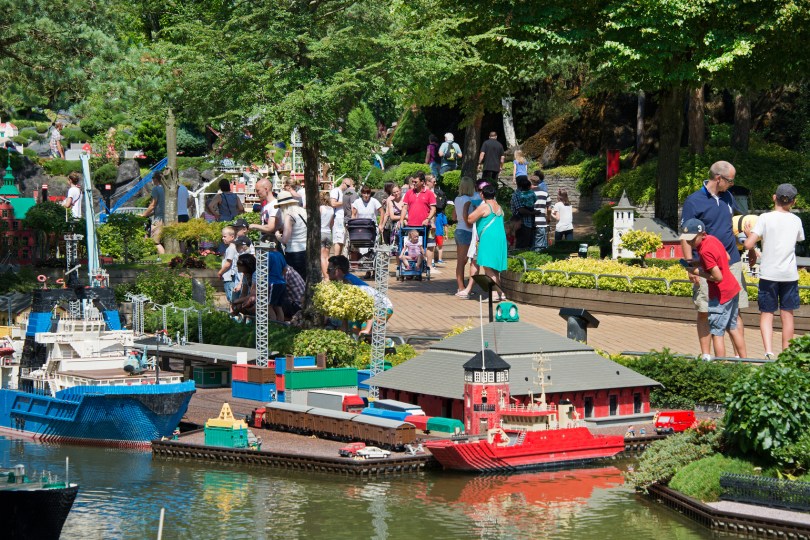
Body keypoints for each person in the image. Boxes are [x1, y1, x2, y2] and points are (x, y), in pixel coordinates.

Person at [681, 161, 756, 360]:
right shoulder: (693, 201)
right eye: (730, 181)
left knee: (735, 311)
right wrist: (690, 266)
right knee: (706, 310)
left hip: (732, 262)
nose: (732, 184)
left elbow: (733, 226)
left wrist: (748, 247)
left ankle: (741, 360)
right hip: (706, 264)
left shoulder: (728, 196)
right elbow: (685, 236)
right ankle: (708, 357)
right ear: (718, 178)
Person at [744, 184, 805, 359]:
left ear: (774, 198)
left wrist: (749, 235)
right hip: (789, 275)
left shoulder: (765, 218)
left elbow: (748, 244)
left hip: (769, 274)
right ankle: (787, 354)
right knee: (788, 315)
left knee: (767, 313)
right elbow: (799, 238)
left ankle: (769, 352)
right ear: (793, 202)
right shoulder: (796, 220)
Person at [680, 218, 746, 359]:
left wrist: (697, 272)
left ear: (702, 234)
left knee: (717, 332)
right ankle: (745, 362)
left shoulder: (705, 251)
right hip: (732, 288)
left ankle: (720, 366)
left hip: (721, 294)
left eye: (692, 239)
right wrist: (697, 262)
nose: (690, 243)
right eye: (687, 240)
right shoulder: (712, 239)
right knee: (733, 327)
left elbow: (717, 277)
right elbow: (726, 257)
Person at [466, 183, 508, 301]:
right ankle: (501, 293)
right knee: (494, 268)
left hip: (488, 238)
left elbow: (470, 219)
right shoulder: (498, 206)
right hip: (500, 238)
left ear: (482, 194)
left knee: (487, 266)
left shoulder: (485, 206)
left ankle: (494, 294)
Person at [275, 191, 308, 280]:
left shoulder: (289, 216)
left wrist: (277, 236)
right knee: (303, 279)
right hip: (305, 249)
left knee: (295, 279)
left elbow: (285, 239)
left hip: (293, 252)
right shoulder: (303, 211)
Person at [453, 177, 475, 297]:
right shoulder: (468, 200)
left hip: (459, 229)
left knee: (461, 260)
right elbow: (466, 215)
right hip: (466, 230)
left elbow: (454, 216)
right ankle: (461, 287)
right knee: (463, 260)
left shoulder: (457, 199)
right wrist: (469, 224)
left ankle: (461, 286)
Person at [141, 171, 166, 254]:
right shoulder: (166, 189)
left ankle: (164, 258)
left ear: (155, 179)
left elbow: (153, 204)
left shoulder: (156, 189)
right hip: (167, 217)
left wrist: (144, 215)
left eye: (152, 178)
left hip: (159, 219)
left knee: (155, 242)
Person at [510, 175, 536, 249]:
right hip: (522, 224)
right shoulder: (517, 195)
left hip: (530, 223)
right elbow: (521, 210)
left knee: (529, 246)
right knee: (522, 247)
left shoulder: (528, 193)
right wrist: (533, 213)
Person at [330, 177, 353, 255]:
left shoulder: (346, 192)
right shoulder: (335, 191)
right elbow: (333, 203)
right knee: (338, 240)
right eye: (348, 186)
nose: (348, 187)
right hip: (338, 218)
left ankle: (339, 258)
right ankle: (336, 258)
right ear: (343, 183)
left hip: (345, 218)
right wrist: (345, 202)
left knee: (342, 240)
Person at [230, 254, 257, 320]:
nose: (237, 266)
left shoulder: (255, 274)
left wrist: (235, 301)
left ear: (247, 265)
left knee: (245, 307)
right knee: (239, 306)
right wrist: (238, 303)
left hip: (258, 300)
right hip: (250, 299)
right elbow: (244, 292)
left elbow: (253, 295)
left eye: (239, 264)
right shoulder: (245, 275)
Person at [265, 242, 287, 322]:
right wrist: (279, 276)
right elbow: (285, 269)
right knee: (278, 306)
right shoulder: (280, 254)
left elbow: (265, 269)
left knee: (268, 305)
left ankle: (273, 324)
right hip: (281, 283)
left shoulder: (268, 255)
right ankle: (280, 325)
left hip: (273, 283)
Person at [217, 226, 239, 304]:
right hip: (229, 277)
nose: (223, 238)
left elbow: (228, 264)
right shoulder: (232, 247)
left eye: (225, 236)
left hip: (229, 278)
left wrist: (220, 273)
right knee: (232, 300)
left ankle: (233, 312)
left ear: (232, 237)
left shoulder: (231, 248)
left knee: (232, 299)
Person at [530, 171, 550, 252]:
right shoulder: (545, 193)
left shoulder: (529, 193)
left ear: (531, 182)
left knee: (531, 245)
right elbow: (549, 208)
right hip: (541, 222)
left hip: (530, 222)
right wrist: (548, 218)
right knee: (540, 246)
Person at [319, 191, 334, 279]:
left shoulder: (320, 208)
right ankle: (328, 274)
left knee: (321, 257)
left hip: (321, 232)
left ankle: (326, 276)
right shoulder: (331, 209)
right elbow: (332, 223)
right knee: (327, 256)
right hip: (328, 233)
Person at [386, 184, 404, 249]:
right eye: (394, 192)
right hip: (395, 226)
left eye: (397, 191)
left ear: (400, 190)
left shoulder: (405, 201)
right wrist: (403, 217)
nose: (396, 193)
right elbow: (392, 217)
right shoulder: (391, 202)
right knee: (395, 246)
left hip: (405, 225)